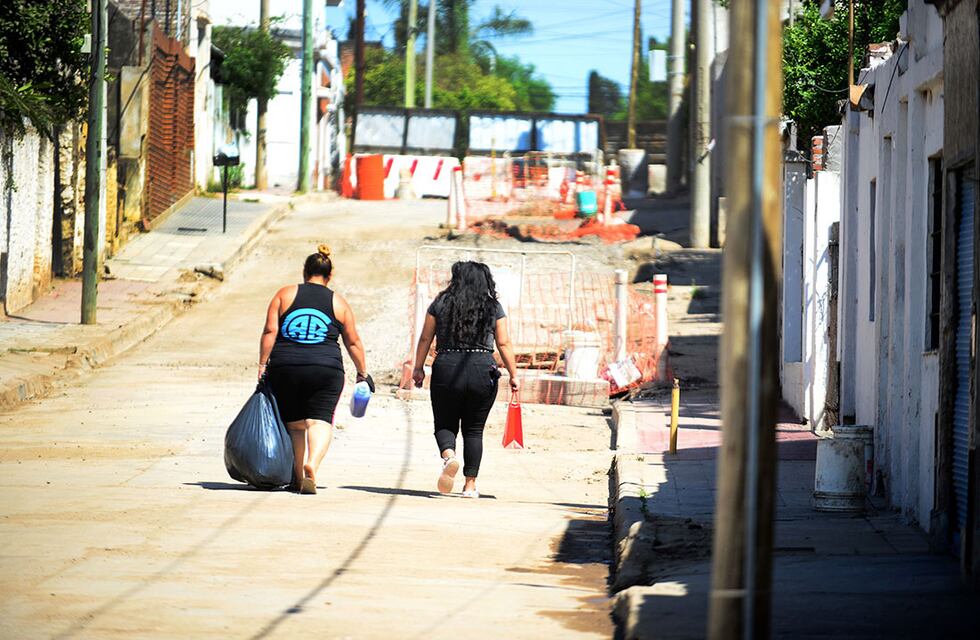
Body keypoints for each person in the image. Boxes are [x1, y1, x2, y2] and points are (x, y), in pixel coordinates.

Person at [258, 244, 373, 494]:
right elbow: (353, 341)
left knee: (295, 424)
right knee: (319, 420)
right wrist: (362, 372)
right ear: (330, 275)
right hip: (326, 368)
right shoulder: (338, 302)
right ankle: (313, 465)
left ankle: (297, 477)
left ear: (304, 272)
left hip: (286, 366)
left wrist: (263, 364)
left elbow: (270, 331)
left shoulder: (284, 294)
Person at [412, 261, 519, 499]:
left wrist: (418, 368)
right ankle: (470, 486)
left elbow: (425, 338)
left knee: (444, 422)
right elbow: (503, 342)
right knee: (474, 430)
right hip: (482, 368)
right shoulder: (493, 306)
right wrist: (514, 374)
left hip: (446, 366)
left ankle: (449, 456)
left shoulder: (441, 302)